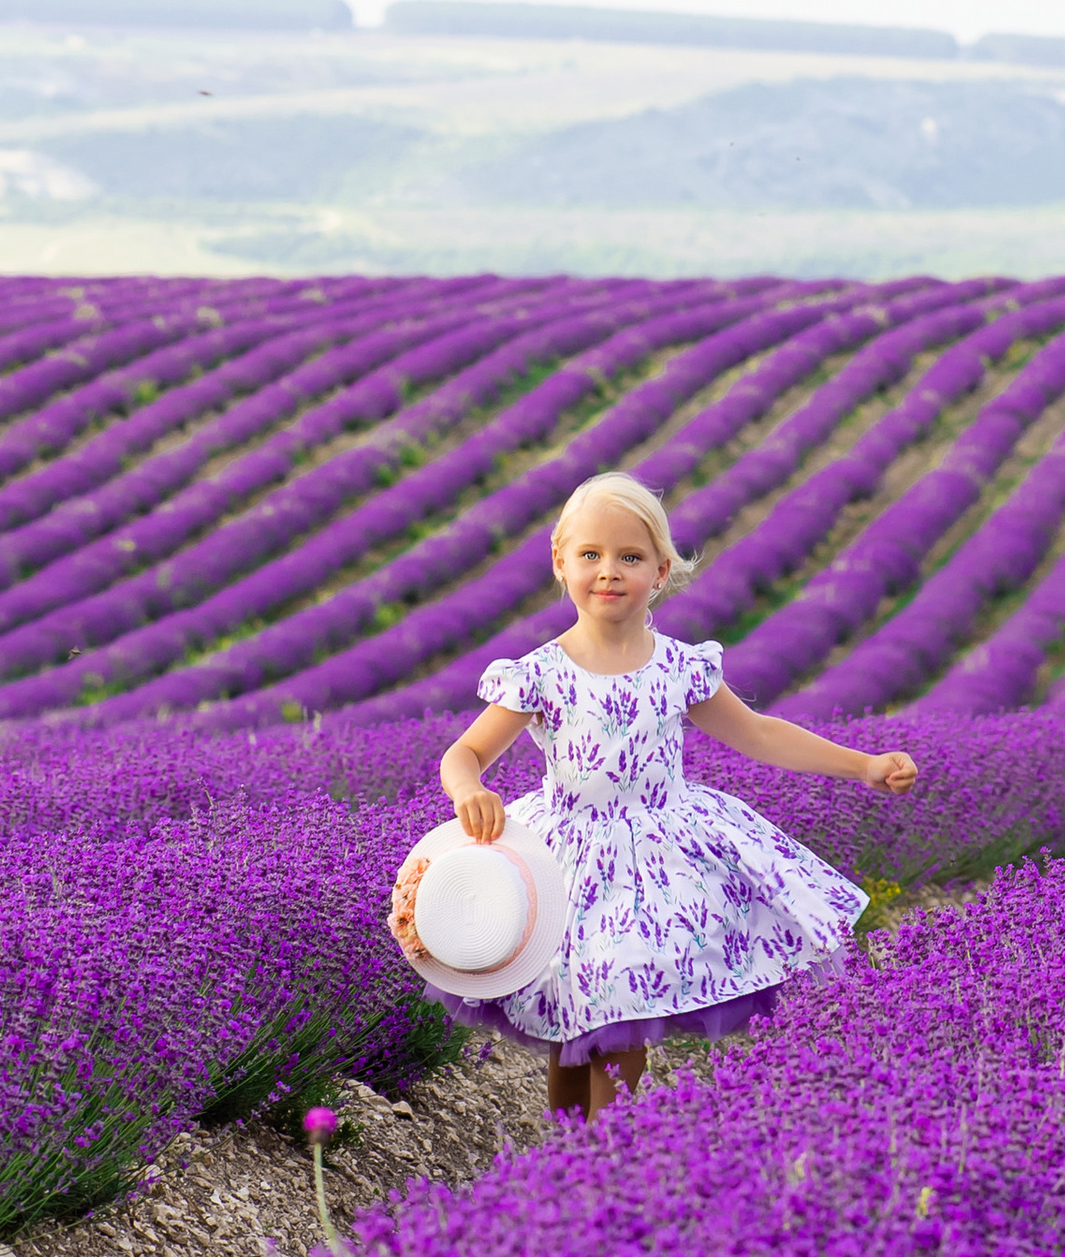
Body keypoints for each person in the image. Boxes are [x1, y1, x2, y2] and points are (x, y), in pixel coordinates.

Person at [389, 469, 918, 1117]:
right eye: (590, 554)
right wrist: (467, 785)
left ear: (661, 572)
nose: (608, 571)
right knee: (571, 1023)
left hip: (658, 859)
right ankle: (570, 1158)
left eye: (629, 557)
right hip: (565, 863)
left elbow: (758, 734)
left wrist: (862, 766)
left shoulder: (678, 667)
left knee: (620, 1006)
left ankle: (613, 1155)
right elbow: (464, 752)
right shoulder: (540, 674)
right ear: (560, 562)